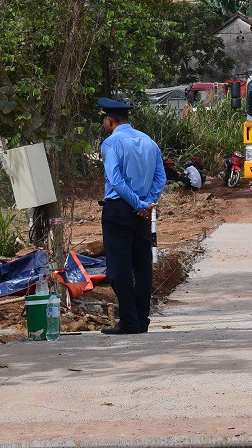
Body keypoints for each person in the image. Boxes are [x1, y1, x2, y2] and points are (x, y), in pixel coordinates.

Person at [98, 97, 165, 335]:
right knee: (142, 266)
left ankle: (129, 320)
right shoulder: (149, 142)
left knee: (118, 269)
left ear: (109, 120)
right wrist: (146, 204)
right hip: (143, 213)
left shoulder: (111, 143)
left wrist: (137, 203)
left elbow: (116, 180)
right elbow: (161, 177)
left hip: (119, 210)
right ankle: (141, 320)